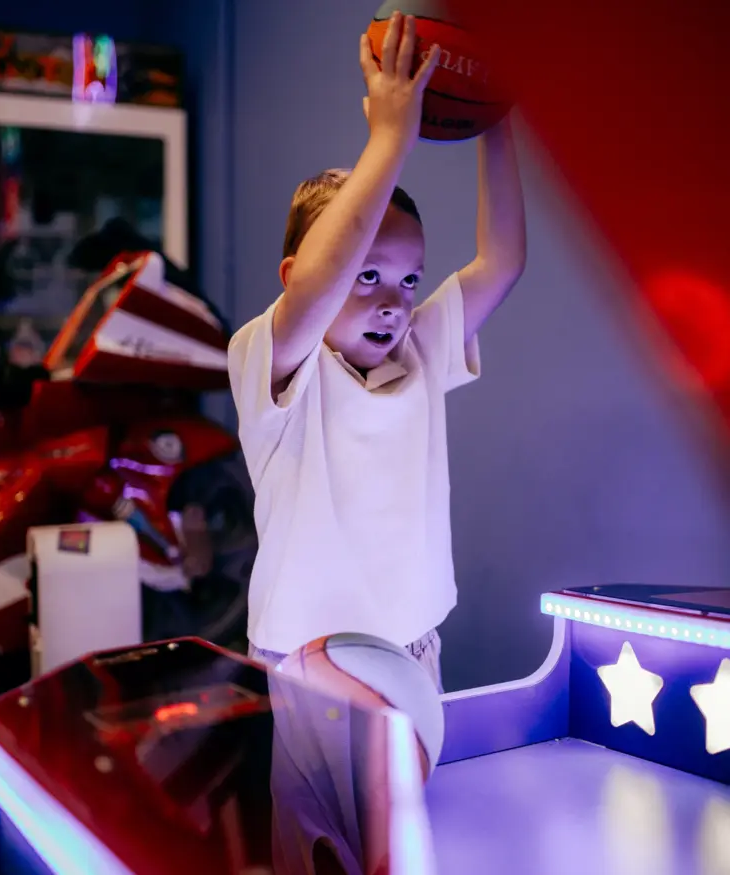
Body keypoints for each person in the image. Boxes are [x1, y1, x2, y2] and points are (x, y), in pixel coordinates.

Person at [228, 11, 526, 692]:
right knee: (316, 807)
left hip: (411, 643)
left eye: (407, 279)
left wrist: (497, 120)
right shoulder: (270, 362)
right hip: (306, 656)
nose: (393, 300)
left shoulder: (419, 346)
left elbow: (501, 259)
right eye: (366, 275)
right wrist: (390, 137)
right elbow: (318, 279)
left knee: (412, 803)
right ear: (296, 274)